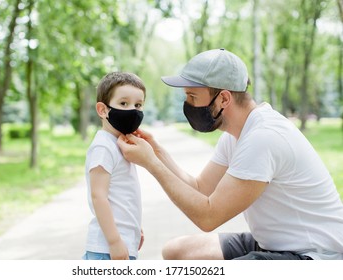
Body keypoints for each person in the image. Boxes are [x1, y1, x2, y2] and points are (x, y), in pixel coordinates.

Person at [117, 49, 343, 260]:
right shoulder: (236, 134)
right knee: (176, 251)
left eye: (192, 97)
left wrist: (151, 165)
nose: (187, 105)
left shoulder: (263, 137)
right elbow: (200, 189)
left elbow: (208, 217)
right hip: (272, 243)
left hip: (313, 254)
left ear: (224, 99)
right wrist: (157, 153)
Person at [83, 72, 146, 260]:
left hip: (123, 241)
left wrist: (134, 227)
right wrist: (114, 241)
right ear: (103, 110)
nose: (132, 110)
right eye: (124, 104)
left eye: (138, 105)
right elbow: (98, 196)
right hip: (106, 248)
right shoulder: (103, 146)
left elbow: (121, 194)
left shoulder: (119, 144)